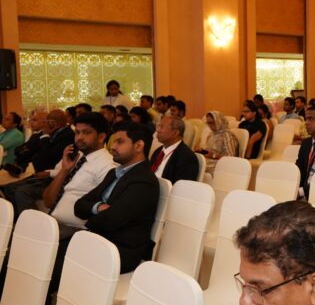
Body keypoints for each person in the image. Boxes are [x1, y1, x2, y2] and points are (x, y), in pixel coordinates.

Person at [73, 121, 159, 273]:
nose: (112, 147)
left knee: (56, 261)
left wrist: (90, 216)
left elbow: (110, 220)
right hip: (99, 241)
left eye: (119, 142)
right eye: (113, 141)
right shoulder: (113, 173)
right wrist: (99, 207)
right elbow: (79, 206)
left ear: (138, 146)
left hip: (118, 252)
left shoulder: (144, 181)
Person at [42, 111, 116, 227]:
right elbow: (48, 202)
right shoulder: (77, 158)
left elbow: (107, 211)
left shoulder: (107, 166)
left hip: (76, 230)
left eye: (86, 132)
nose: (79, 137)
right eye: (77, 132)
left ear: (101, 137)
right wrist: (64, 170)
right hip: (54, 224)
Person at [150, 115, 200, 184]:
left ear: (175, 133)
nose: (157, 130)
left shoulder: (187, 158)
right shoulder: (157, 151)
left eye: (162, 127)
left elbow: (181, 187)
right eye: (158, 126)